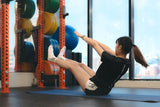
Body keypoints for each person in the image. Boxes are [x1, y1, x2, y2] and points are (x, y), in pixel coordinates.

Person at [48, 31, 149, 96]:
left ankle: (53, 59)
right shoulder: (125, 62)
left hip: (94, 88)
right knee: (82, 65)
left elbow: (95, 45)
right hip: (104, 88)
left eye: (116, 44)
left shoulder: (112, 60)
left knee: (73, 66)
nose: (114, 47)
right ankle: (62, 59)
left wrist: (81, 36)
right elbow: (105, 47)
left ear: (120, 47)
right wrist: (95, 42)